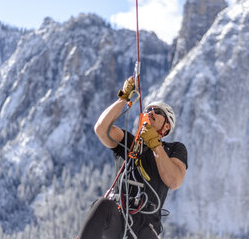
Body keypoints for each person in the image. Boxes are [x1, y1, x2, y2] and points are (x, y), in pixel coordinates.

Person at [77, 77, 188, 239]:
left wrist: (155, 144)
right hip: (119, 216)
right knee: (103, 205)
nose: (151, 112)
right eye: (149, 110)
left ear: (166, 127)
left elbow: (174, 180)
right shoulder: (129, 143)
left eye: (158, 112)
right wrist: (124, 98)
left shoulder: (174, 149)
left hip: (146, 226)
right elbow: (101, 129)